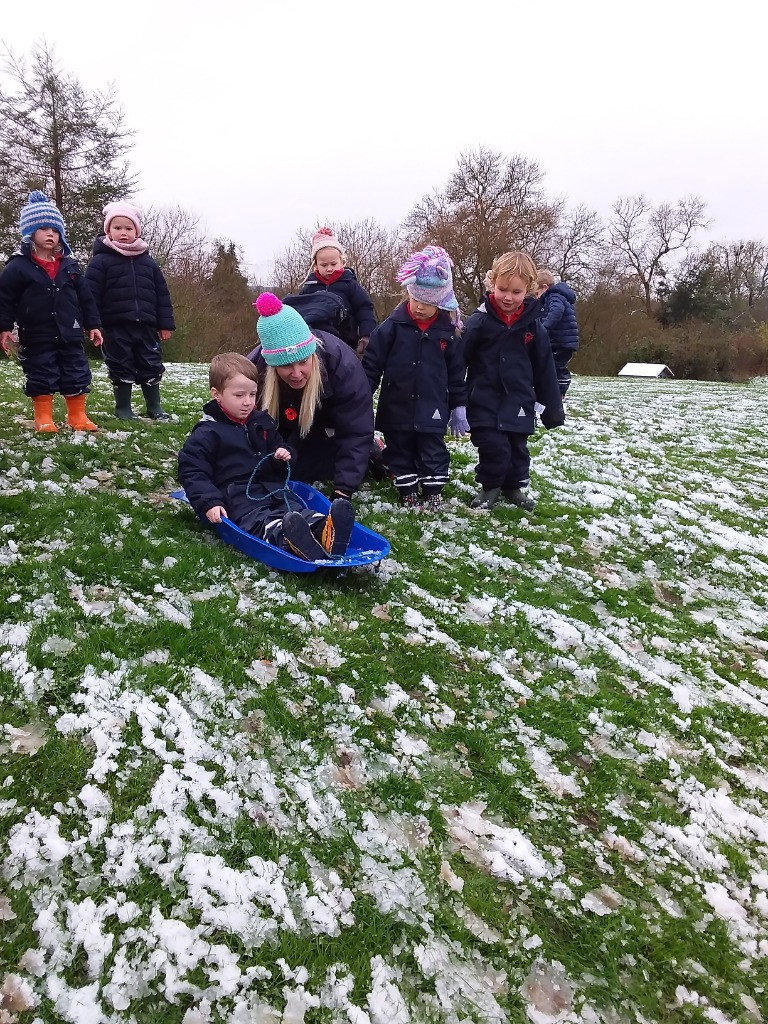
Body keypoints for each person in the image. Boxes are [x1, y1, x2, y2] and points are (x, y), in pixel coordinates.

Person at [178, 353, 355, 561]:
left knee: (296, 512)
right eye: (239, 395)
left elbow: (277, 446)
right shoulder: (207, 433)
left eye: (252, 395)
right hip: (238, 497)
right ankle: (289, 539)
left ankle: (325, 530)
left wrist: (282, 456)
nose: (248, 402)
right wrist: (210, 502)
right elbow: (192, 471)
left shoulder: (261, 422)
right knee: (263, 521)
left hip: (275, 489)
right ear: (216, 394)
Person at [362, 245, 466, 509]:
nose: (420, 307)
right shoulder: (392, 327)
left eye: (428, 303)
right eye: (416, 299)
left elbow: (456, 372)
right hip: (396, 404)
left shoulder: (448, 332)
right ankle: (407, 489)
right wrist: (362, 395)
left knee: (433, 449)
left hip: (432, 405)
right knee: (400, 450)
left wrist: (459, 405)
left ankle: (433, 490)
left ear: (441, 302)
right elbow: (372, 363)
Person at [462, 252, 565, 512]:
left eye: (516, 292)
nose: (508, 297)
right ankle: (490, 487)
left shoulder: (534, 327)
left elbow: (544, 368)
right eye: (502, 289)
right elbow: (457, 361)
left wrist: (552, 409)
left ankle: (513, 487)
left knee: (518, 449)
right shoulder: (479, 322)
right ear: (492, 284)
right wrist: (455, 400)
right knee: (494, 448)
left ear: (528, 290)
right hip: (483, 400)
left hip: (519, 400)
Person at [248, 293, 374, 502]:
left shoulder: (343, 364)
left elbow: (356, 429)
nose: (297, 374)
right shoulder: (254, 370)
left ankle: (373, 452)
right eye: (286, 365)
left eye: (303, 362)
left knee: (317, 467)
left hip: (326, 426)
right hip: (283, 431)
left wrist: (343, 490)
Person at [0, 191, 103, 432]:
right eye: (44, 229)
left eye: (55, 230)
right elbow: (5, 299)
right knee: (41, 372)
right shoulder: (17, 267)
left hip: (71, 332)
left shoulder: (70, 266)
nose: (50, 234)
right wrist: (4, 328)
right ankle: (43, 417)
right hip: (36, 333)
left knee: (76, 371)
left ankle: (77, 415)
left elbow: (86, 298)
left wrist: (94, 324)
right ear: (29, 233)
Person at [85, 201, 175, 420]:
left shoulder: (148, 262)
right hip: (116, 327)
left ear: (137, 231)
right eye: (117, 228)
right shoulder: (101, 261)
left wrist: (165, 324)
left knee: (151, 364)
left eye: (128, 228)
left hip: (146, 326)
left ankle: (154, 406)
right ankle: (123, 408)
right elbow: (89, 295)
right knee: (120, 364)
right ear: (108, 231)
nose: (123, 233)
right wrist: (92, 324)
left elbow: (161, 294)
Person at [298, 227, 376, 354]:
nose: (329, 269)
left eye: (333, 264)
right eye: (324, 265)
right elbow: (300, 314)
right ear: (315, 265)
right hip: (315, 343)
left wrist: (367, 335)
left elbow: (364, 308)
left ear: (342, 262)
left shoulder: (349, 284)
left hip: (346, 342)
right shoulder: (309, 287)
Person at [536, 270, 579, 397]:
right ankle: (557, 388)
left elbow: (556, 312)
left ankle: (560, 388)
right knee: (555, 365)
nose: (537, 296)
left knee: (555, 365)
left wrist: (543, 327)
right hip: (564, 340)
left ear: (544, 287)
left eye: (537, 293)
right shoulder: (560, 296)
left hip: (562, 341)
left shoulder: (554, 296)